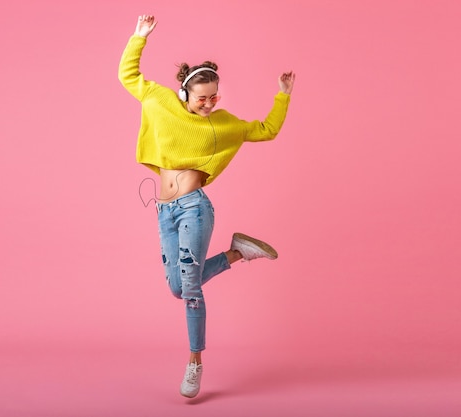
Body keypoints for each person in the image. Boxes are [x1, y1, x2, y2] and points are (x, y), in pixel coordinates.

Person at [118, 14, 295, 398]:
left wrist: (282, 95)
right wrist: (139, 37)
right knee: (177, 288)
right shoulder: (160, 101)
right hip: (165, 210)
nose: (210, 103)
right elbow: (128, 76)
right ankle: (238, 252)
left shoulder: (223, 123)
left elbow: (265, 130)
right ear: (183, 94)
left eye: (215, 96)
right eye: (203, 98)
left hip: (195, 208)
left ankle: (195, 363)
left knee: (192, 287)